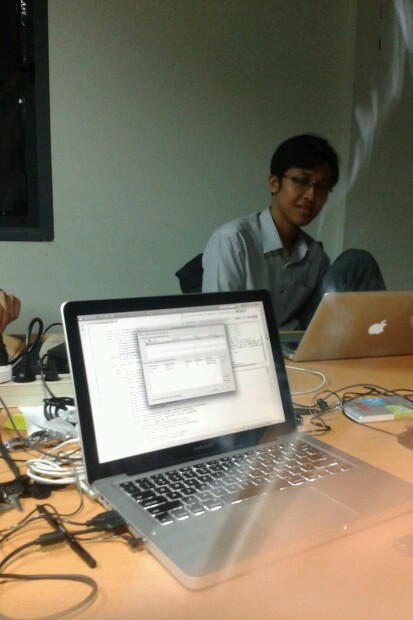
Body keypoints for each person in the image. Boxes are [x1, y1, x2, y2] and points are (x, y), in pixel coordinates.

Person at [202, 134, 385, 329]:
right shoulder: (232, 241)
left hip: (299, 343)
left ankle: (379, 337)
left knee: (358, 261)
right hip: (248, 343)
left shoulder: (316, 257)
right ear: (274, 183)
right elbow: (218, 323)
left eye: (322, 187)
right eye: (301, 181)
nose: (311, 195)